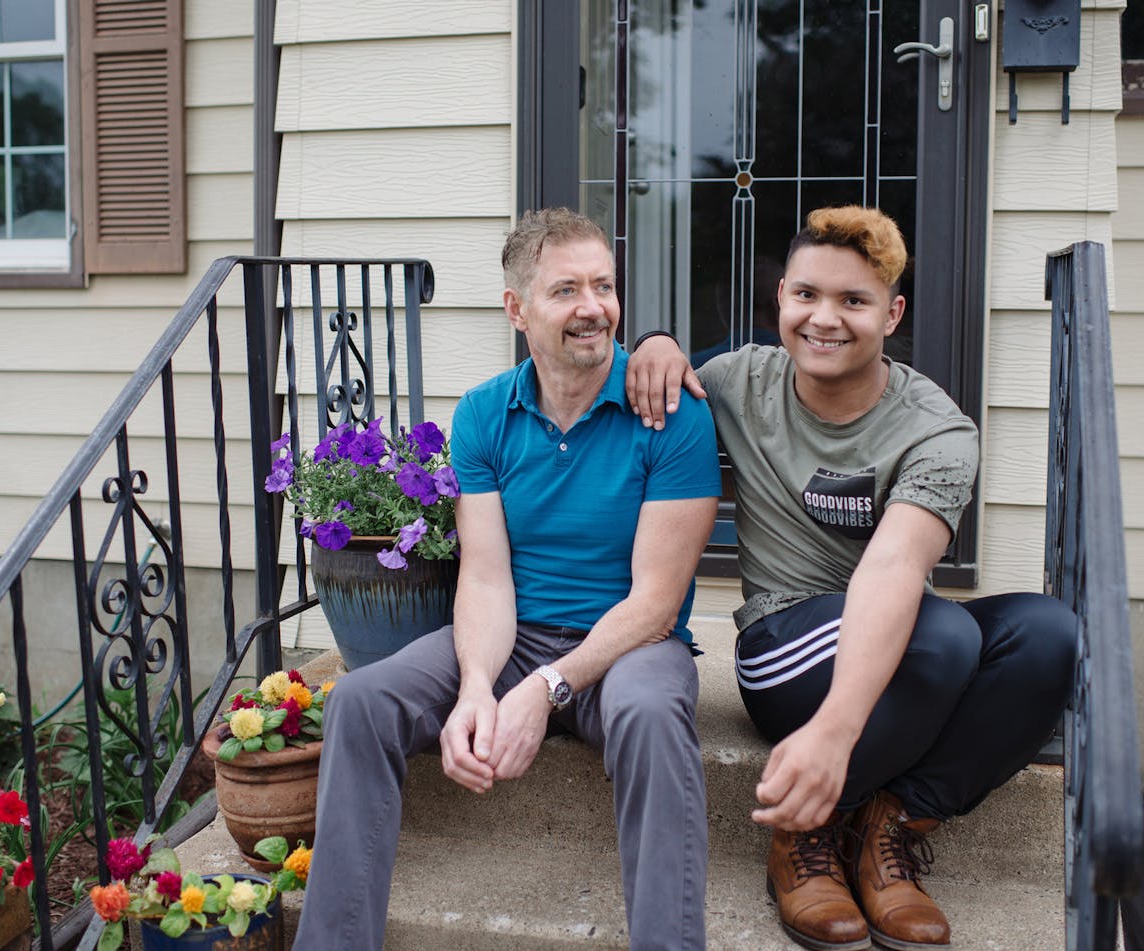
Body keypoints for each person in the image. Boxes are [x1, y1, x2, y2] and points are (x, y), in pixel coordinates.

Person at [626, 205, 1076, 951]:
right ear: (780, 302)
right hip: (784, 643)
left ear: (892, 313)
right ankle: (804, 834)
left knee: (1048, 634)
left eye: (853, 300)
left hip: (894, 642)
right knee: (942, 639)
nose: (823, 319)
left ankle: (885, 821)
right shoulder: (739, 382)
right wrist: (655, 341)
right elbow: (656, 372)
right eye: (806, 295)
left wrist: (836, 737)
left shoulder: (936, 428)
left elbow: (897, 565)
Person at [293, 208, 722, 951]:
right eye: (567, 290)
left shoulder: (669, 412)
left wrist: (545, 686)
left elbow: (655, 603)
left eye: (605, 286)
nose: (594, 308)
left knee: (653, 714)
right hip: (515, 634)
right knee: (359, 701)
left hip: (629, 645)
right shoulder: (485, 414)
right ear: (517, 308)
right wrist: (475, 687)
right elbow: (486, 579)